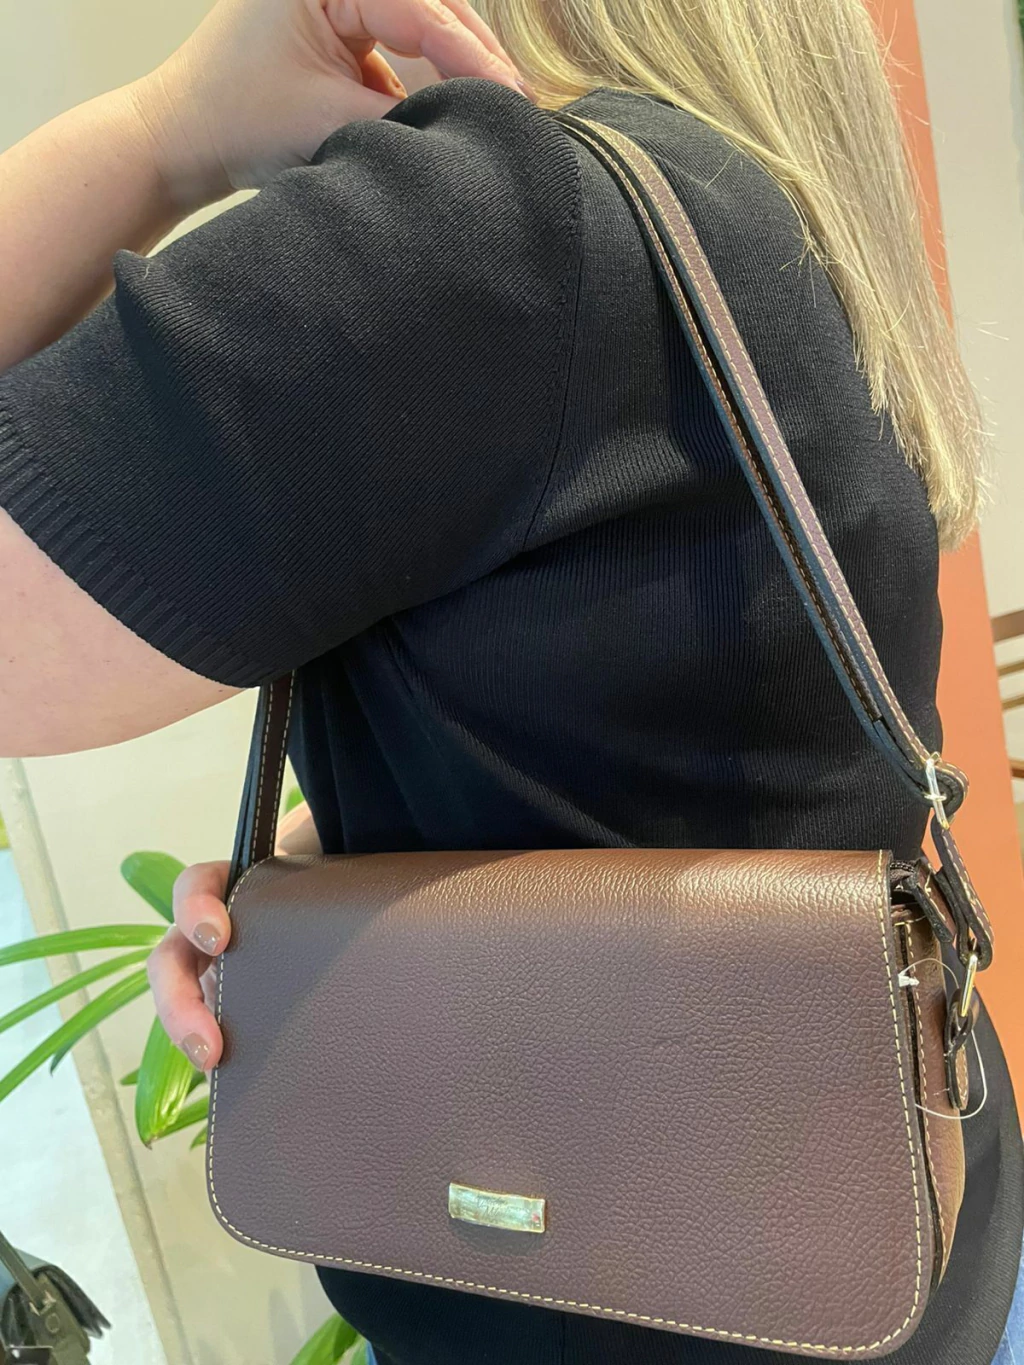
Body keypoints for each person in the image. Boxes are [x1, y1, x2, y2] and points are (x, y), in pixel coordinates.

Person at [0, 0, 1020, 1361]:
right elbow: (732, 738)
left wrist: (163, 128)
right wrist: (363, 850)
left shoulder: (504, 216)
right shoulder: (754, 203)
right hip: (918, 1254)